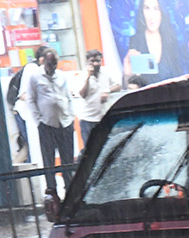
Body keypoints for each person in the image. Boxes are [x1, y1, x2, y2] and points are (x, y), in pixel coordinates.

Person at [26, 48, 75, 197]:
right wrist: (38, 121)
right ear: (43, 62)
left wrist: (71, 116)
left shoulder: (61, 76)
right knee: (49, 161)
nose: (52, 67)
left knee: (67, 159)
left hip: (65, 123)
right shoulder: (35, 76)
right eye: (49, 64)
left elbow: (68, 97)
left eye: (54, 64)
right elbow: (30, 99)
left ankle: (70, 190)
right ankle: (52, 193)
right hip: (47, 124)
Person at [124, 0, 185, 86]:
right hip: (145, 98)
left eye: (156, 8)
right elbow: (131, 84)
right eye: (147, 8)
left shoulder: (171, 40)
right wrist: (128, 76)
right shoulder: (135, 41)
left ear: (162, 12)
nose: (151, 16)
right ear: (142, 11)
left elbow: (179, 75)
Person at [78, 49, 120, 149]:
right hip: (87, 119)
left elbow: (118, 86)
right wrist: (88, 77)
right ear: (87, 62)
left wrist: (107, 90)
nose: (95, 64)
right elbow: (82, 94)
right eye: (92, 61)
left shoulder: (106, 73)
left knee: (105, 147)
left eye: (98, 61)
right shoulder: (82, 75)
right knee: (89, 149)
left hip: (103, 117)